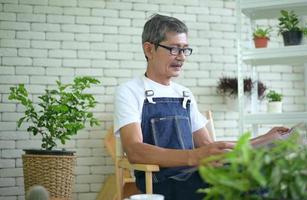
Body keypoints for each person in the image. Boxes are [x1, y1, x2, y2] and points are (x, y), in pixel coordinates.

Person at [114, 14, 288, 200]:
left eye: (185, 50)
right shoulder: (130, 91)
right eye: (173, 49)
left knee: (256, 174)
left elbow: (209, 148)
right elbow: (134, 150)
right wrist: (193, 157)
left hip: (194, 175)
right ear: (149, 49)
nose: (181, 57)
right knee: (239, 184)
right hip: (161, 182)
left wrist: (264, 140)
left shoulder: (184, 94)